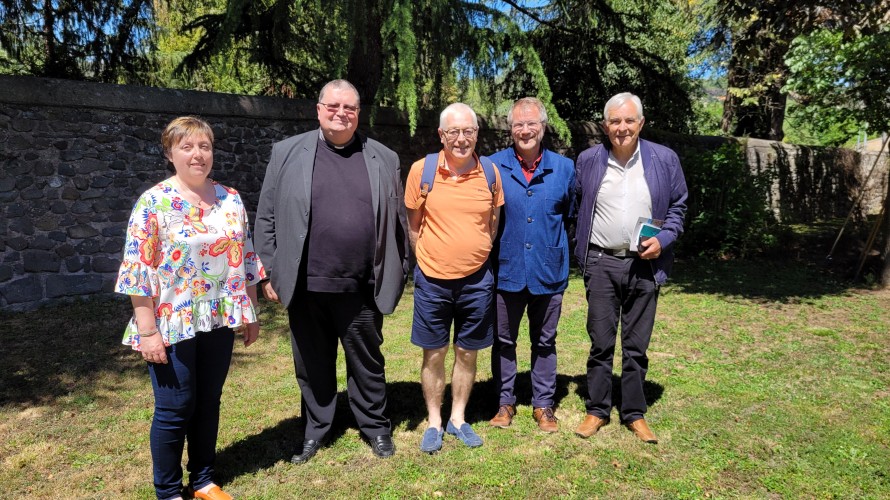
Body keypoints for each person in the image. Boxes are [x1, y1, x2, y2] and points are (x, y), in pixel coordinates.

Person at [254, 79, 409, 464]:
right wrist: (270, 271)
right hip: (305, 285)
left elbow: (399, 223)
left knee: (367, 363)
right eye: (333, 106)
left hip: (361, 285)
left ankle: (375, 427)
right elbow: (267, 215)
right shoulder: (287, 152)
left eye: (350, 108)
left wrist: (401, 269)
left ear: (359, 113)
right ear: (319, 108)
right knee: (312, 364)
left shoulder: (384, 158)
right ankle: (316, 430)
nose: (341, 113)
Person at [116, 116, 265, 500]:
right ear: (170, 153)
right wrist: (148, 331)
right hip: (171, 321)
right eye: (187, 146)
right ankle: (167, 492)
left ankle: (202, 480)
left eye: (204, 146)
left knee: (208, 401)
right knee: (175, 408)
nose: (198, 155)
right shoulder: (153, 202)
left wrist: (248, 310)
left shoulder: (231, 198)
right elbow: (138, 270)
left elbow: (244, 256)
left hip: (218, 316)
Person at [573, 92, 687, 444]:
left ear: (641, 123)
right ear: (605, 126)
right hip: (602, 262)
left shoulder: (664, 159)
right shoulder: (589, 160)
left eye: (628, 121)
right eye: (615, 121)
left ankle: (634, 413)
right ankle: (597, 410)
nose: (622, 127)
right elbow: (576, 207)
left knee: (636, 345)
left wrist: (664, 240)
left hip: (644, 265)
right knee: (601, 342)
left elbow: (678, 209)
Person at [405, 103, 504, 453]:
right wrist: (430, 260)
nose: (462, 139)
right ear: (441, 135)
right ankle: (434, 421)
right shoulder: (423, 170)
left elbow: (492, 223)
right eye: (454, 132)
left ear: (477, 134)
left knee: (467, 352)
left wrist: (474, 255)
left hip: (477, 282)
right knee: (434, 353)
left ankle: (458, 418)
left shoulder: (491, 173)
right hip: (432, 280)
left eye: (469, 132)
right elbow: (413, 225)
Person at [487, 97, 574, 433]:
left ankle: (543, 404)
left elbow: (568, 216)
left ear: (543, 126)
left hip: (548, 270)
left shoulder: (564, 169)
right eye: (518, 124)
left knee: (545, 341)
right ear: (511, 130)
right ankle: (505, 402)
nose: (525, 130)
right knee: (504, 341)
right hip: (506, 270)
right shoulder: (493, 166)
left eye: (531, 123)